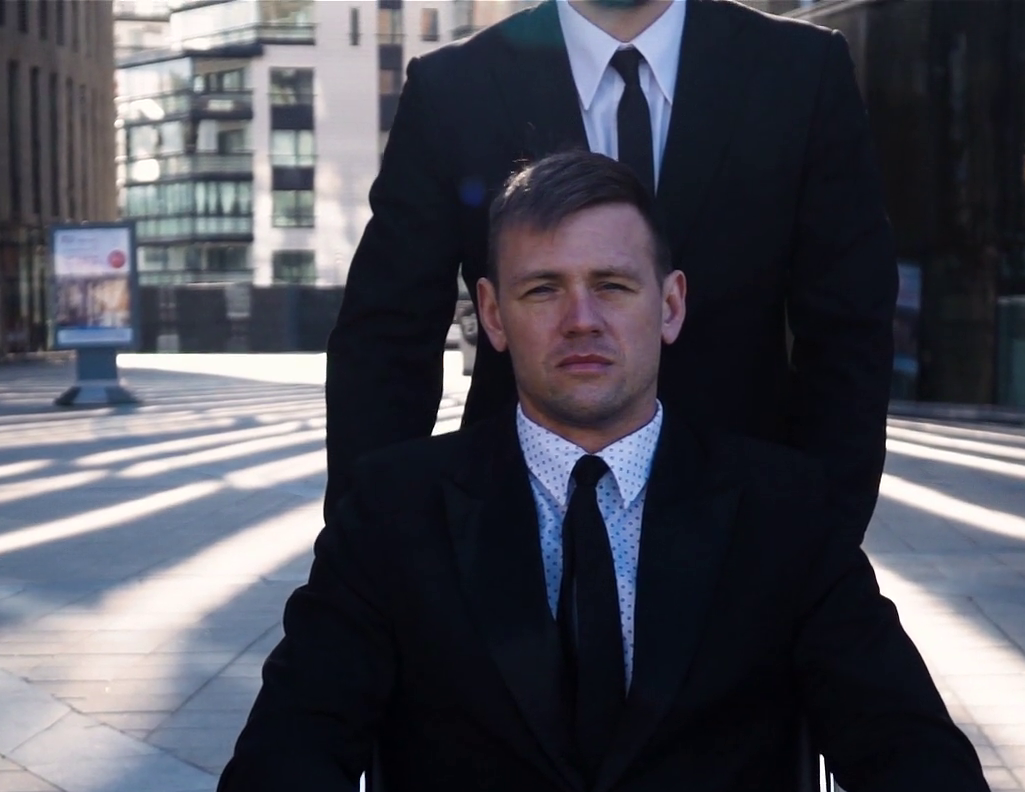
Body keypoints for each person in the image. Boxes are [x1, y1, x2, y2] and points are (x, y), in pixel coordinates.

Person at [218, 153, 991, 792]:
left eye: (613, 286)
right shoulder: (396, 511)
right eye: (542, 289)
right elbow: (272, 769)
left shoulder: (779, 510)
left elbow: (932, 772)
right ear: (492, 315)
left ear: (670, 305)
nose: (581, 318)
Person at [324, 0, 898, 541]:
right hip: (506, 531)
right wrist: (372, 541)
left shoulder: (802, 71)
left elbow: (849, 329)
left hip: (750, 528)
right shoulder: (452, 87)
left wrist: (821, 534)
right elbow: (387, 338)